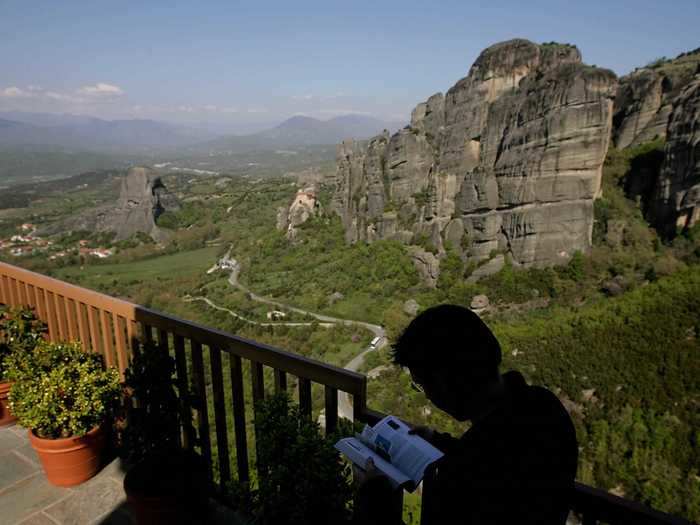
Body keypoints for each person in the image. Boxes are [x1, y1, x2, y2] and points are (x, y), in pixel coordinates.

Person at [354, 304, 578, 525]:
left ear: (445, 383)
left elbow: (483, 466)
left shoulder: (467, 473)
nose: (428, 396)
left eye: (422, 384)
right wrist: (438, 441)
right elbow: (494, 452)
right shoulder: (543, 405)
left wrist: (374, 499)